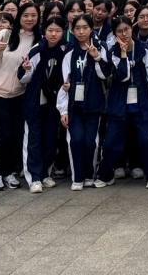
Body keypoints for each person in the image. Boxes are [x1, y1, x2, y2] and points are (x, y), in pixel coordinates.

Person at [98, 17, 148, 189]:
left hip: (143, 101)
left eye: (126, 29)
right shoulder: (112, 52)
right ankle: (105, 175)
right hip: (119, 102)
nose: (124, 34)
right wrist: (124, 54)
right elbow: (123, 75)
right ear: (114, 34)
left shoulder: (144, 49)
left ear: (131, 29)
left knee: (146, 139)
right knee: (111, 141)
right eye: (119, 31)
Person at [0, 3, 39, 191]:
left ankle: (9, 172)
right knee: (2, 135)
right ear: (19, 17)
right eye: (26, 15)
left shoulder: (37, 40)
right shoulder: (5, 34)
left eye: (33, 15)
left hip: (20, 94)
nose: (29, 19)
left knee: (16, 135)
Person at [58, 15, 112, 191]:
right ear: (72, 30)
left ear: (91, 29)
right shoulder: (69, 53)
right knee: (76, 140)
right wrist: (63, 110)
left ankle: (89, 174)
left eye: (85, 28)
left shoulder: (100, 47)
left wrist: (97, 57)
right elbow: (64, 83)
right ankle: (78, 177)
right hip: (74, 106)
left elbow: (105, 74)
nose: (81, 32)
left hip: (94, 104)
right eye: (77, 28)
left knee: (90, 142)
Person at [21, 16, 68, 193]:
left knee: (50, 139)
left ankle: (44, 173)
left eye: (58, 31)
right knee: (33, 139)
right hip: (35, 101)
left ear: (63, 32)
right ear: (44, 31)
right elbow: (23, 78)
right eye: (50, 30)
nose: (53, 34)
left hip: (54, 101)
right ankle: (34, 177)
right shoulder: (37, 50)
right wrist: (27, 69)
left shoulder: (66, 49)